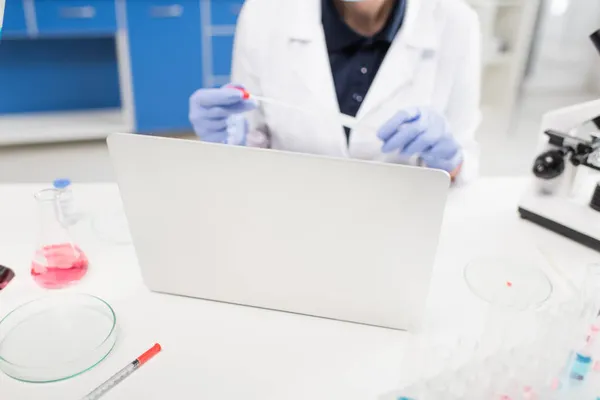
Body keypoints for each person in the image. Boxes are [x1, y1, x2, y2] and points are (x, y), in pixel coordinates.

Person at [190, 0, 481, 183]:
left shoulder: (456, 22)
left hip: (399, 226)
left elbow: (464, 161)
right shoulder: (265, 12)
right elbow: (252, 137)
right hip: (288, 217)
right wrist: (231, 145)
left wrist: (450, 160)